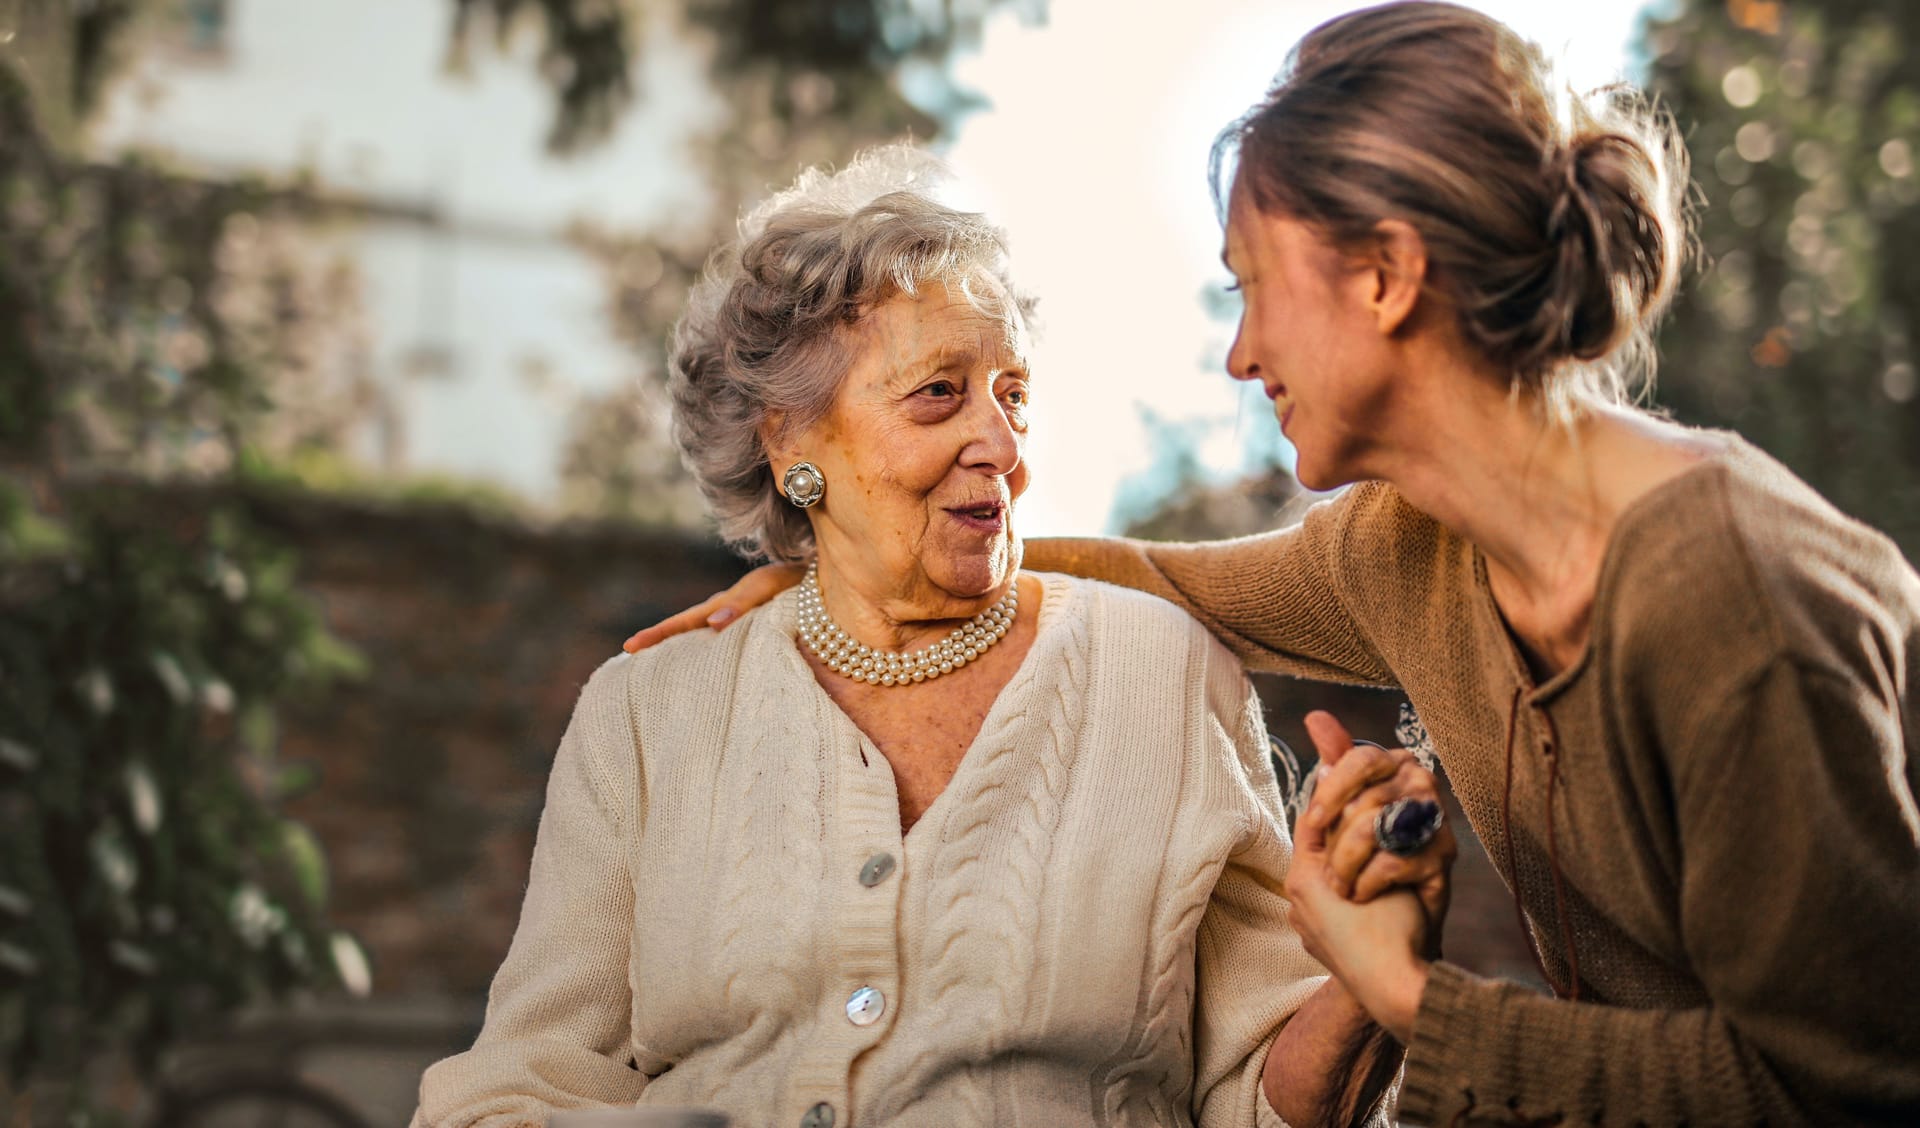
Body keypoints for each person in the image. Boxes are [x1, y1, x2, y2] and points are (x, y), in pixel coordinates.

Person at [624, 4, 1920, 1125]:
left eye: (1252, 287)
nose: (1241, 356)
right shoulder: (1411, 548)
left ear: (1388, 276)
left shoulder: (1728, 596)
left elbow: (1841, 1087)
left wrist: (1408, 995)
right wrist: (854, 571)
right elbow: (1164, 581)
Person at [415, 146, 1435, 1128]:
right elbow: (531, 1072)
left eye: (1015, 395)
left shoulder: (1161, 674)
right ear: (791, 441)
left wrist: (1366, 978)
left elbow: (1262, 1098)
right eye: (940, 393)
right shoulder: (648, 711)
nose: (1001, 447)